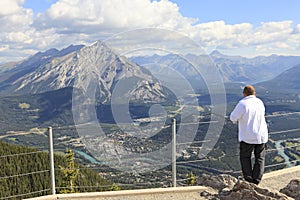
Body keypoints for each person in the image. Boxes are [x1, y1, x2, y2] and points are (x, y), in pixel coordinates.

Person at [230, 85, 268, 185]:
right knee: (259, 158)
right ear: (254, 93)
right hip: (261, 135)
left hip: (247, 136)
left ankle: (248, 179)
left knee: (245, 157)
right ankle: (257, 180)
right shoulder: (259, 102)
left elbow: (233, 117)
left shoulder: (242, 104)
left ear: (244, 93)